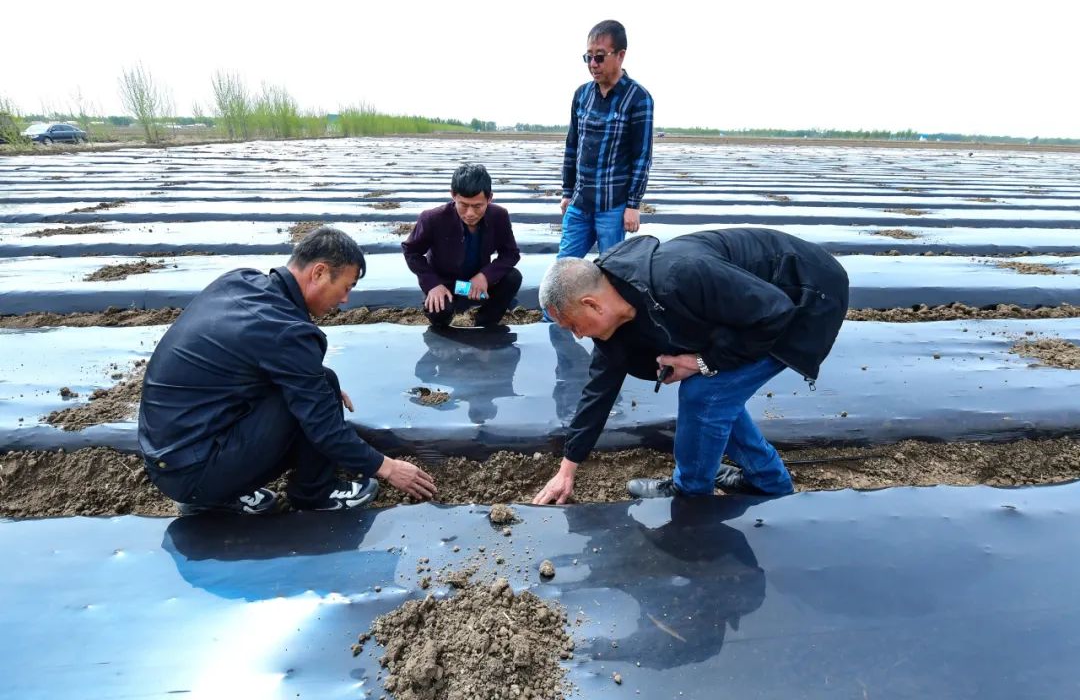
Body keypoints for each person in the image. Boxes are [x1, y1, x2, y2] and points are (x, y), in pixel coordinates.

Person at [530, 228, 849, 504]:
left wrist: (704, 361)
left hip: (805, 294)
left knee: (705, 391)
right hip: (751, 308)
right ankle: (768, 481)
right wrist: (567, 468)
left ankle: (691, 492)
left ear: (591, 303)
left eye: (573, 325)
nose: (578, 336)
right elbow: (598, 390)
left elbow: (773, 312)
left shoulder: (677, 276)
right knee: (719, 395)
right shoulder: (616, 315)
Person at [138, 227, 437, 515]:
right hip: (192, 471)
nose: (345, 300)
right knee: (319, 399)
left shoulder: (240, 281)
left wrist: (317, 383)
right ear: (318, 272)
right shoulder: (288, 332)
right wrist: (387, 467)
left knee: (320, 383)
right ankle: (316, 493)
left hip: (168, 454)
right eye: (345, 287)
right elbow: (326, 430)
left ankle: (217, 491)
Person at [558, 19, 654, 260]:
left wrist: (633, 204)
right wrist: (567, 191)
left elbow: (641, 157)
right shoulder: (582, 95)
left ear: (620, 55)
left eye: (600, 57)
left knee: (610, 270)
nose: (593, 64)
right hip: (580, 202)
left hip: (613, 206)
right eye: (588, 57)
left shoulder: (638, 98)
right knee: (564, 269)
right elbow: (572, 146)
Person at [402, 163, 522, 328]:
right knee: (439, 309)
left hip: (476, 286)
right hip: (449, 286)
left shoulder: (498, 216)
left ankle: (485, 322)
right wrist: (432, 284)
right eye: (463, 205)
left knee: (512, 277)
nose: (470, 213)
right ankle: (443, 322)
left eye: (477, 206)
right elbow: (411, 252)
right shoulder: (433, 219)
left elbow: (511, 253)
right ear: (453, 195)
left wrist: (485, 276)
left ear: (489, 198)